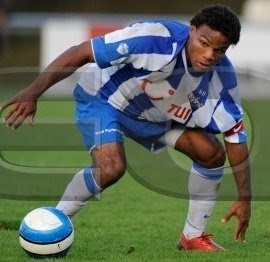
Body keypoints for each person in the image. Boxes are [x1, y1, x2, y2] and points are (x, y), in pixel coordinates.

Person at [0, 5, 251, 252]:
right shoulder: (156, 37)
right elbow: (81, 52)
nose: (209, 55)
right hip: (104, 98)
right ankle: (54, 221)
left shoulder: (223, 80)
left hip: (153, 116)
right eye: (204, 43)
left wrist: (244, 197)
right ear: (192, 30)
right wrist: (33, 92)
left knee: (211, 154)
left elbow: (235, 136)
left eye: (219, 50)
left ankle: (192, 236)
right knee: (110, 168)